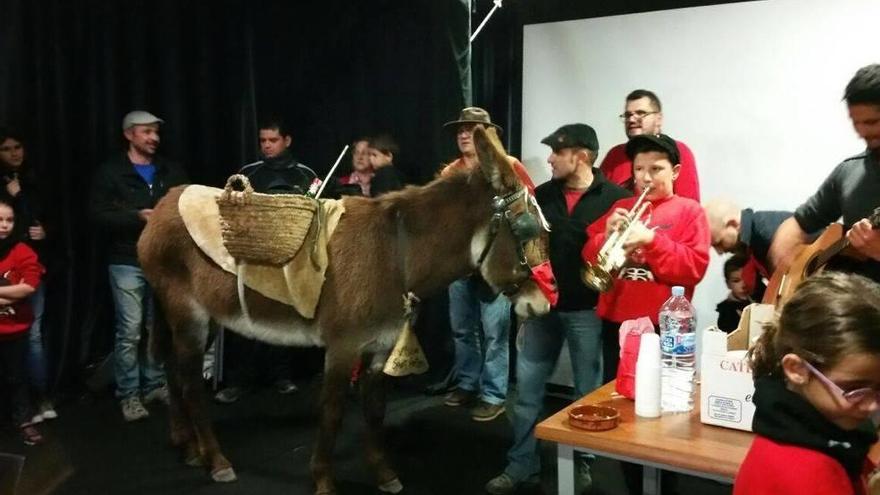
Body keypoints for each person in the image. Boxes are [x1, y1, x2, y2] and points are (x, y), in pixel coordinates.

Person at [485, 124, 629, 495]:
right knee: (528, 392)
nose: (548, 158)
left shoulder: (616, 198)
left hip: (587, 310)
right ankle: (520, 465)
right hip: (542, 307)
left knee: (586, 394)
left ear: (579, 156)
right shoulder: (542, 195)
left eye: (556, 152)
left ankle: (583, 465)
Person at [734, 272, 880, 494]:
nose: (872, 406)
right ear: (797, 369)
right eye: (853, 390)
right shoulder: (809, 475)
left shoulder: (818, 433)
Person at [583, 133, 710, 384]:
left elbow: (693, 268)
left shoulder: (691, 211)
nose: (645, 177)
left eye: (656, 169)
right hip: (616, 320)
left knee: (661, 395)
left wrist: (651, 241)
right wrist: (605, 236)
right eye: (639, 168)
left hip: (663, 324)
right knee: (614, 390)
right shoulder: (622, 205)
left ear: (675, 172)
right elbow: (589, 256)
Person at [90, 110, 188, 421]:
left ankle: (155, 383)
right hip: (126, 260)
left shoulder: (170, 170)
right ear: (129, 134)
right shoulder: (111, 172)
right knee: (129, 330)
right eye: (147, 132)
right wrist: (136, 216)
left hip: (162, 262)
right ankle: (129, 394)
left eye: (156, 132)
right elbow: (97, 214)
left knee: (155, 327)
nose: (154, 138)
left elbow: (188, 203)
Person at [440, 107, 534, 422]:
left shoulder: (509, 167)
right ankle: (468, 382)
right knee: (462, 328)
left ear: (488, 135)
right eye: (461, 129)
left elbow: (528, 211)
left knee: (495, 332)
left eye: (473, 129)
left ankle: (493, 393)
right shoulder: (450, 171)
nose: (465, 134)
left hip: (495, 263)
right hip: (459, 265)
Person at [214, 118, 315, 404]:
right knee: (245, 319)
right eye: (263, 141)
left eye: (273, 140)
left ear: (287, 141)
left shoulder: (308, 174)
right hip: (252, 258)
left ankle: (281, 376)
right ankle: (239, 381)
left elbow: (317, 207)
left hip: (289, 260)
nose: (267, 146)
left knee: (282, 317)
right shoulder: (248, 173)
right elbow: (231, 210)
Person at [769, 64, 880, 283]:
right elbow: (800, 223)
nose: (862, 132)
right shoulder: (849, 171)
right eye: (856, 123)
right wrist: (785, 267)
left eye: (871, 122)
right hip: (850, 308)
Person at [0, 128, 56, 422]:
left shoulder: (34, 180)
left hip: (27, 263)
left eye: (17, 146)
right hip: (2, 265)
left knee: (31, 334)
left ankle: (39, 395)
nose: (14, 153)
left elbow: (47, 217)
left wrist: (45, 231)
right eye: (6, 148)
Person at [599, 90, 700, 201]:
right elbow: (598, 201)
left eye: (640, 113)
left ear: (658, 119)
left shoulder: (679, 151)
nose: (631, 120)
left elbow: (689, 205)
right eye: (628, 115)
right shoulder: (615, 155)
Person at [0, 196, 44, 445]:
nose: (4, 225)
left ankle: (23, 420)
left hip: (14, 329)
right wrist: (10, 292)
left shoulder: (22, 251)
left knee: (17, 377)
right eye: (0, 220)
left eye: (9, 220)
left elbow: (28, 287)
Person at [715, 254, 752, 333]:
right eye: (736, 281)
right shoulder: (725, 311)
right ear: (728, 284)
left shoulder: (762, 297)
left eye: (747, 278)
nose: (743, 285)